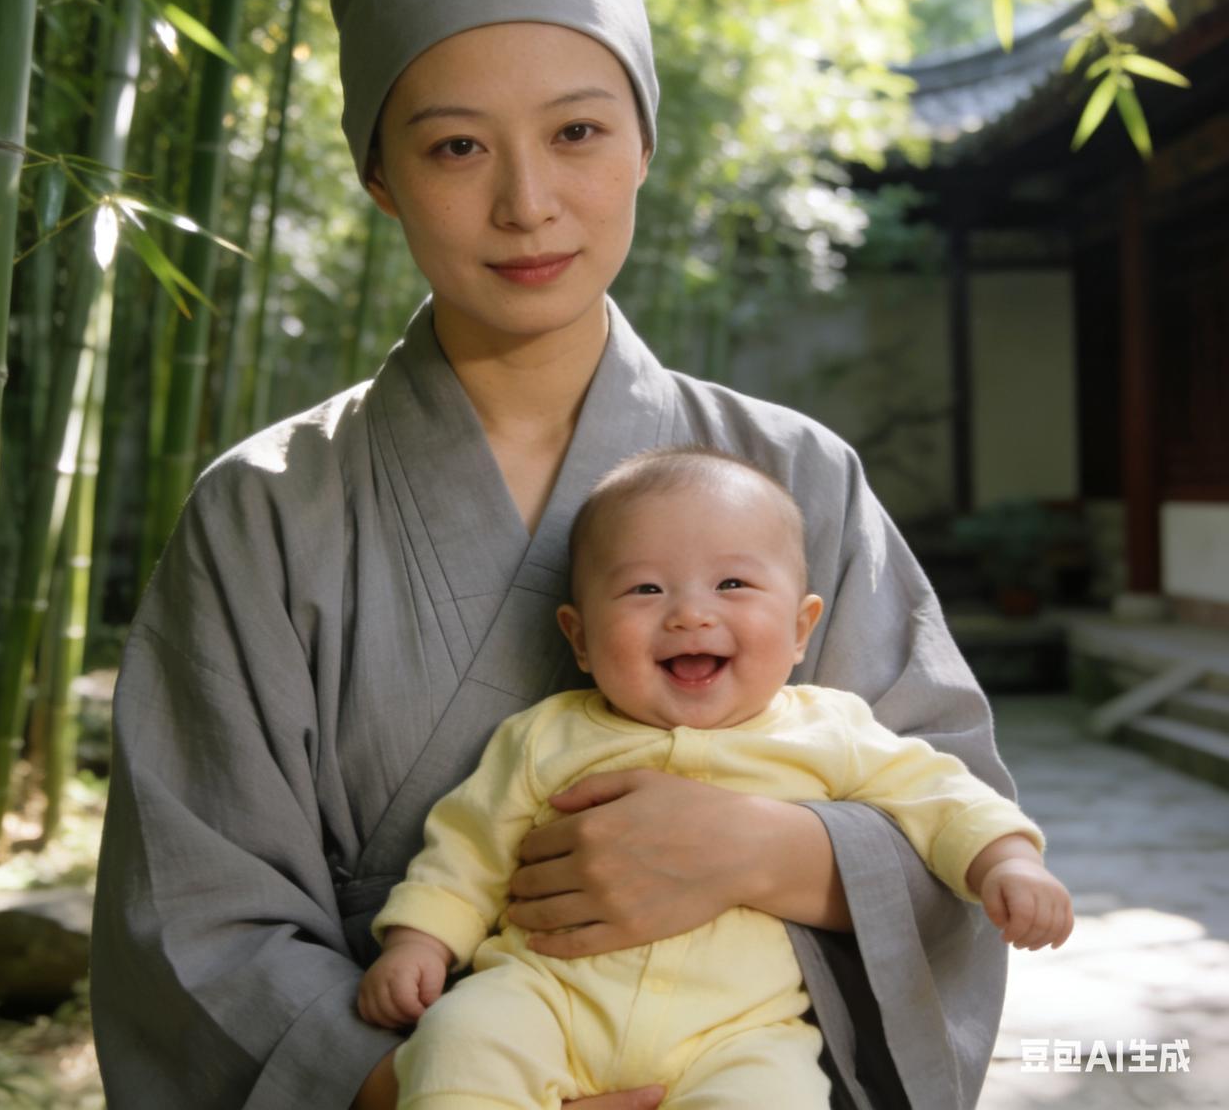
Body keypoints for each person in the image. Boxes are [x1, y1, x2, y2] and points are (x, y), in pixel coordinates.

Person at [91, 0, 1031, 1110]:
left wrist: (777, 851)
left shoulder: (796, 471)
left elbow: (963, 827)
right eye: (455, 146)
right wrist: (427, 1078)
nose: (526, 201)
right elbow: (193, 914)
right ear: (379, 176)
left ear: (644, 144)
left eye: (578, 131)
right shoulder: (262, 513)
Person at [358, 448, 1073, 1108]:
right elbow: (467, 849)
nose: (691, 613)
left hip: (738, 1029)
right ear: (579, 637)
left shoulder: (829, 730)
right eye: (644, 588)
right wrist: (419, 942)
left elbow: (942, 798)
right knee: (459, 1044)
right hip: (546, 994)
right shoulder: (545, 735)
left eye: (733, 583)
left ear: (801, 628)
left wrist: (1007, 861)